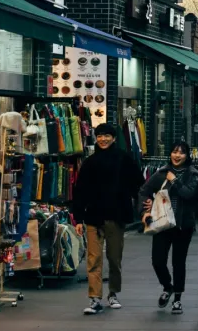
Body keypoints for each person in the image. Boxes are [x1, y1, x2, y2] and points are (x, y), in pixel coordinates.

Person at [72, 123, 143, 315]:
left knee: (114, 257)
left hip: (116, 215)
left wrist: (138, 203)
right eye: (100, 136)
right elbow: (80, 191)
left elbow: (138, 183)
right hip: (93, 216)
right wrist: (78, 218)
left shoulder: (124, 159)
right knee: (93, 259)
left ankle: (113, 293)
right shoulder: (90, 162)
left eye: (107, 136)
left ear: (113, 137)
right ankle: (95, 298)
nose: (103, 139)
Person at [138, 141, 198, 315]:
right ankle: (168, 286)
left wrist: (174, 181)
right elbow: (144, 191)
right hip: (161, 223)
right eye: (174, 152)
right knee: (157, 260)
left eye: (181, 153)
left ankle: (178, 299)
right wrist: (144, 210)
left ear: (187, 156)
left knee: (178, 262)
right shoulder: (161, 173)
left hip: (183, 225)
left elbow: (189, 195)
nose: (177, 155)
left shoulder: (193, 174)